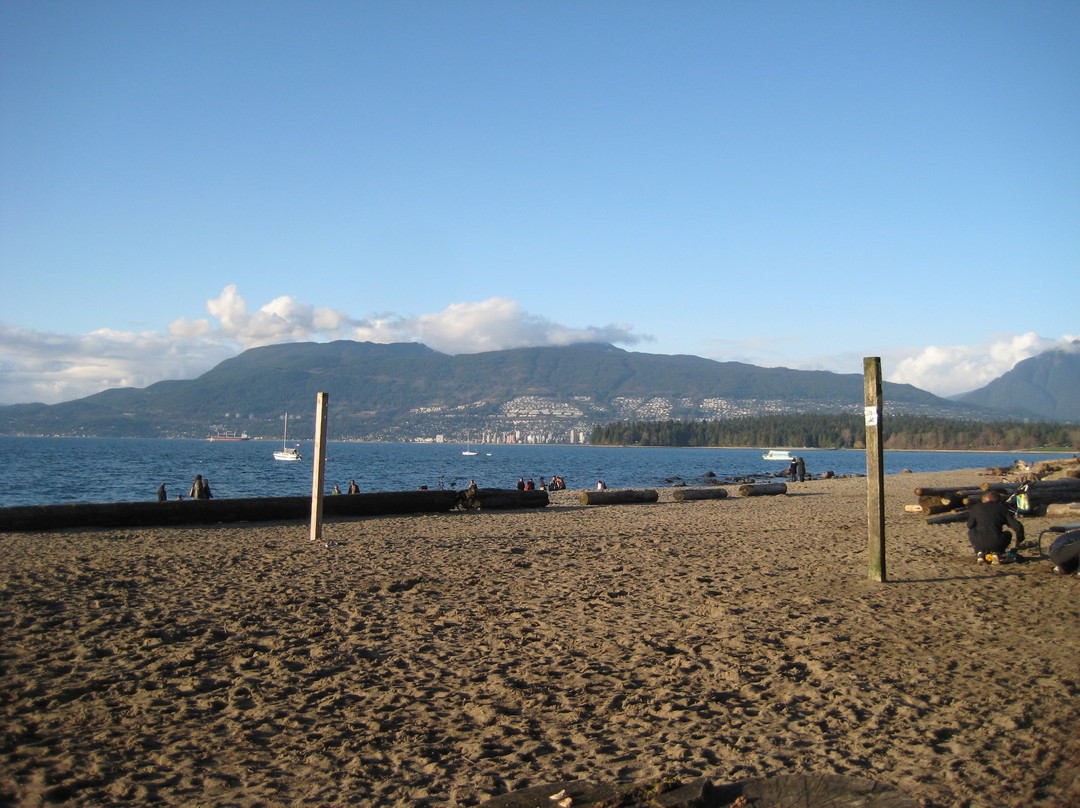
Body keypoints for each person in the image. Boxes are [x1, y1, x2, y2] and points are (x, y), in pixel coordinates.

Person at [965, 490, 1024, 563]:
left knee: (971, 531)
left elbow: (969, 525)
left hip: (978, 541)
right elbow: (1018, 526)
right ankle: (998, 553)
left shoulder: (976, 507)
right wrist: (1019, 540)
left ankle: (980, 552)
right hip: (997, 541)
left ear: (987, 499)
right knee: (1008, 534)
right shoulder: (1002, 509)